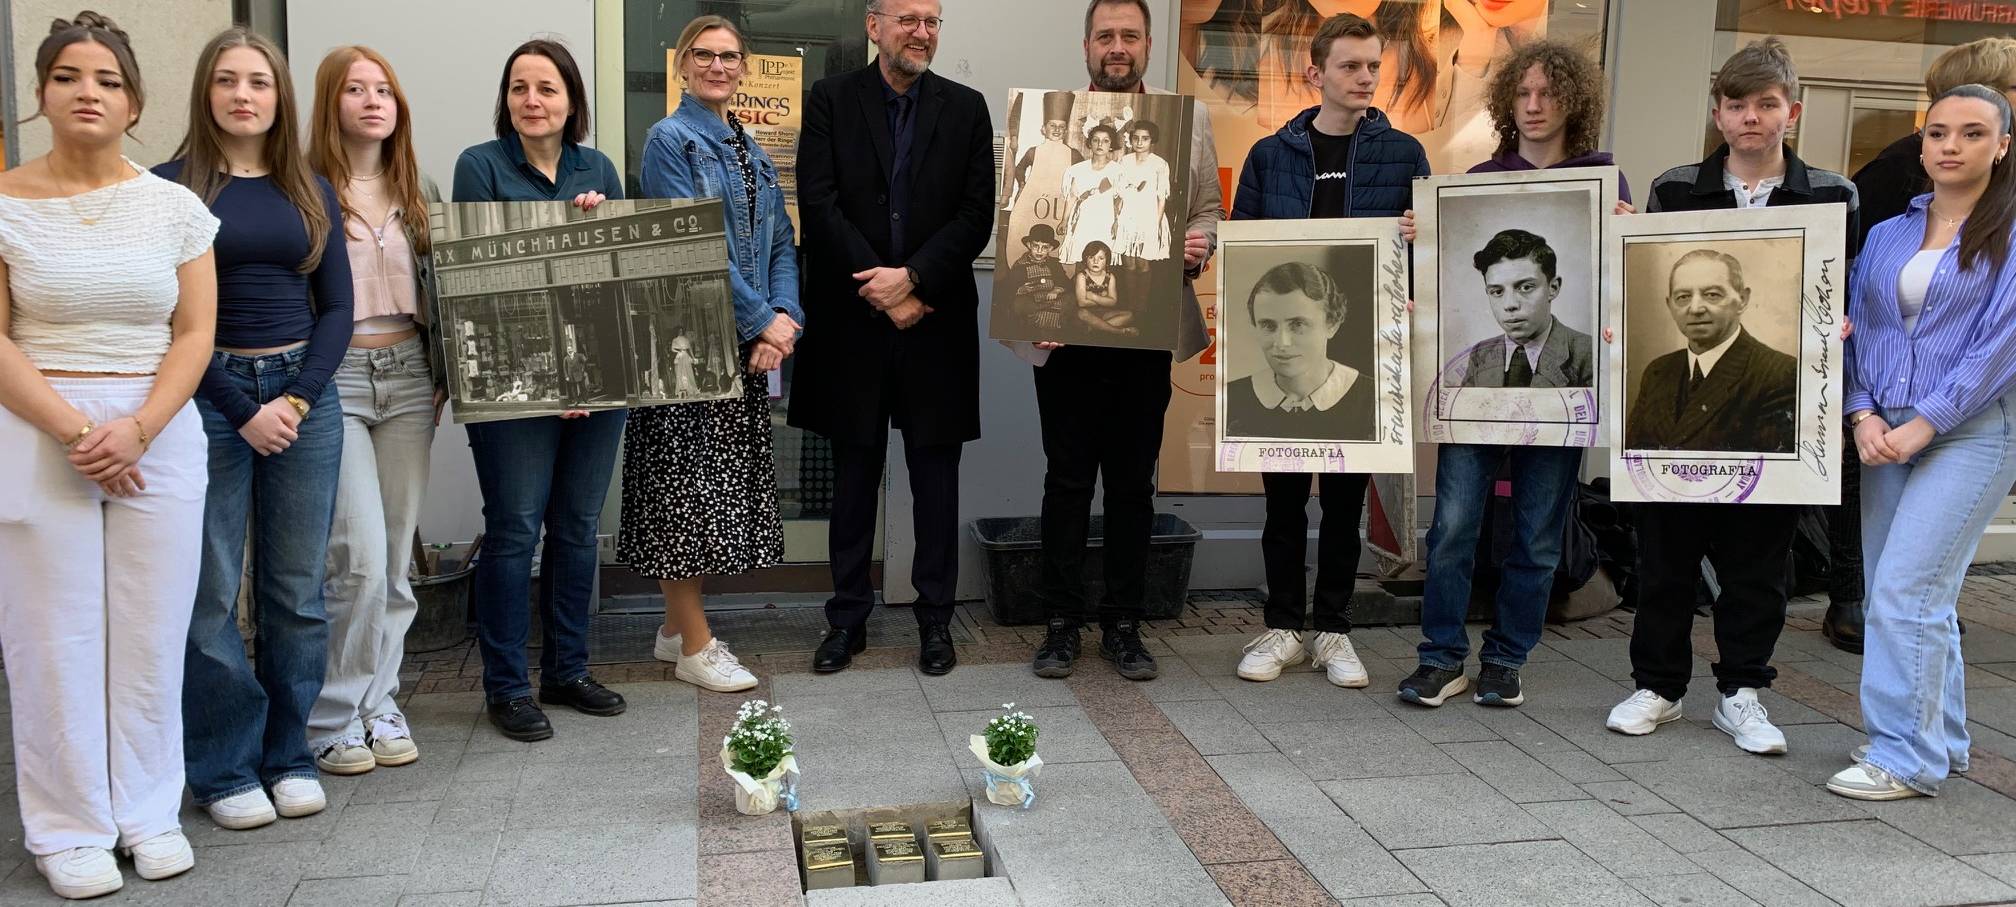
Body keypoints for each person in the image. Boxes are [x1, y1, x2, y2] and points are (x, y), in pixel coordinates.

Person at [0, 13, 216, 897]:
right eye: (67, 76)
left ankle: (149, 809)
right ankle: (67, 825)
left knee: (153, 629)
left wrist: (137, 427)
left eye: (107, 80)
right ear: (42, 93)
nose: (87, 91)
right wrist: (76, 430)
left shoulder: (175, 206)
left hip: (155, 426)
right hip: (38, 420)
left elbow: (197, 329)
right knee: (53, 635)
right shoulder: (4, 201)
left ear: (134, 102)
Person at [1606, 38, 1858, 756]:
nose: (1751, 118)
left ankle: (1742, 692)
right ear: (1717, 113)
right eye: (1737, 104)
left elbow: (1850, 287)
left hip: (1777, 424)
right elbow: (1640, 271)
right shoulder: (1676, 189)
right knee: (1666, 563)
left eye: (1767, 105)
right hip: (1673, 436)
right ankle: (1657, 686)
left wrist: (1842, 320)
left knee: (1757, 566)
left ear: (1792, 112)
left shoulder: (1834, 194)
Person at [1396, 38, 1629, 710]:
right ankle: (1441, 657)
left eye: (1548, 93)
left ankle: (1505, 657)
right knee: (1453, 527)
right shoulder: (1473, 184)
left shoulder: (1606, 184)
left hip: (1564, 400)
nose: (1534, 106)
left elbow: (1621, 295)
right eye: (1523, 93)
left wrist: (1629, 238)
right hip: (1473, 398)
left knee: (1535, 533)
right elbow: (1432, 287)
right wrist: (1423, 237)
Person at [156, 26, 350, 830]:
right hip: (208, 396)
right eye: (228, 80)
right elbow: (168, 319)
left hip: (304, 393)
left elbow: (338, 308)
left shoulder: (310, 186)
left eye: (260, 82)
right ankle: (225, 767)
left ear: (280, 96)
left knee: (296, 590)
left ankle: (289, 753)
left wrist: (297, 399)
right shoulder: (169, 189)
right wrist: (243, 408)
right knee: (207, 592)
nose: (244, 94)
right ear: (206, 92)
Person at [791, 0, 995, 676]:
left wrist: (912, 282)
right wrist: (879, 289)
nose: (922, 32)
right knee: (853, 478)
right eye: (909, 18)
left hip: (933, 324)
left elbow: (975, 216)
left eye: (933, 21)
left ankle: (936, 623)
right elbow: (818, 205)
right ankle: (847, 619)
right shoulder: (829, 100)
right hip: (853, 325)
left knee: (936, 481)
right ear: (874, 25)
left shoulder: (966, 108)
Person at [1830, 84, 2016, 800]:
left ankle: (1902, 754)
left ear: (2001, 146)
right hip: (1885, 429)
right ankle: (1943, 737)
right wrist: (1861, 414)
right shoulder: (1888, 233)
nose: (1951, 146)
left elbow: (1999, 348)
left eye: (1972, 133)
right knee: (1906, 591)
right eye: (1938, 132)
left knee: (1906, 590)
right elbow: (1860, 329)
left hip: (1971, 430)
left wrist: (1922, 423)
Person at [1028, 0, 1221, 682]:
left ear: (1147, 45)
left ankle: (1123, 623)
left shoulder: (1184, 124)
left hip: (1146, 331)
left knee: (1134, 485)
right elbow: (1030, 218)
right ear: (1086, 45)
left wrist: (1200, 245)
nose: (1118, 46)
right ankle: (1059, 625)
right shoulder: (1053, 127)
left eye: (1129, 36)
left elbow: (1204, 210)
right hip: (1065, 335)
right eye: (1106, 35)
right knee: (1066, 480)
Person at [1223, 12, 1415, 688]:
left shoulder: (1403, 154)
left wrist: (1424, 237)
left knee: (1342, 499)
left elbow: (1422, 259)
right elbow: (1239, 245)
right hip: (1279, 352)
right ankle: (1281, 625)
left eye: (1373, 66)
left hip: (1359, 353)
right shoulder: (1272, 154)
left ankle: (1333, 628)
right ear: (1316, 73)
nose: (1366, 78)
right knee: (1281, 501)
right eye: (1351, 66)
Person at [625, 15, 806, 694]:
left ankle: (675, 628)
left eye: (730, 57)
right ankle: (696, 643)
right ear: (682, 64)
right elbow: (691, 245)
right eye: (704, 55)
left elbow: (783, 241)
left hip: (747, 344)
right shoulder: (669, 140)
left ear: (744, 67)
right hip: (688, 342)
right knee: (685, 493)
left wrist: (786, 318)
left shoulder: (749, 146)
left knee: (709, 492)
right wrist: (763, 319)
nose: (718, 66)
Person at [453, 38, 628, 741]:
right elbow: (482, 284)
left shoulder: (599, 168)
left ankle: (567, 669)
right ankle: (505, 685)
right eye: (520, 88)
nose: (533, 101)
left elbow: (611, 277)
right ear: (507, 99)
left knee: (578, 528)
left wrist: (593, 222)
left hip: (595, 383)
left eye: (547, 89)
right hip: (514, 386)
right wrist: (553, 377)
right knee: (516, 528)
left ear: (571, 100)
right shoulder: (481, 166)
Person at [302, 45, 440, 778]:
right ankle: (334, 714)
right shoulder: (306, 189)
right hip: (338, 378)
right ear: (331, 102)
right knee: (352, 557)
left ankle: (382, 701)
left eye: (383, 88)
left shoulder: (417, 189)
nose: (371, 100)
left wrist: (449, 374)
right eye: (354, 89)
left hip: (411, 376)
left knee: (393, 558)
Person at [1623, 250, 1797, 453]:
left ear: (1742, 299)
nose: (1695, 308)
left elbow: (1773, 477)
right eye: (1683, 297)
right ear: (1670, 305)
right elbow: (1632, 461)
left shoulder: (1779, 374)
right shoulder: (1657, 371)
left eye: (1712, 295)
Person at [1223, 260, 1377, 443]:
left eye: (1298, 324)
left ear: (1332, 325)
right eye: (1268, 325)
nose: (1282, 343)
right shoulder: (1231, 399)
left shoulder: (1373, 399)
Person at [1452, 228, 1593, 389]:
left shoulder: (1589, 353)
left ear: (1553, 288)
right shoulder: (1480, 353)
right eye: (1497, 292)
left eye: (1526, 287)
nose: (1510, 304)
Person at [1061, 123, 1128, 265]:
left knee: (1101, 260)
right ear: (1090, 143)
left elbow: (1120, 200)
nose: (1100, 144)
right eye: (1096, 140)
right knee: (1082, 258)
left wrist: (1117, 222)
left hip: (1105, 220)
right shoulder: (1078, 170)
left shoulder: (1117, 171)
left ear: (1111, 145)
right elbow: (1072, 196)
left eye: (1105, 141)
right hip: (1083, 219)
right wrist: (1064, 220)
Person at [1116, 119, 1173, 261]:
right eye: (1136, 138)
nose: (1139, 143)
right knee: (1128, 261)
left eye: (1145, 139)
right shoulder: (1125, 161)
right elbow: (1120, 193)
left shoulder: (1160, 164)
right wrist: (1117, 218)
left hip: (1149, 216)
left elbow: (1161, 198)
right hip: (1128, 215)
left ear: (1152, 140)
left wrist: (1156, 223)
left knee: (1143, 263)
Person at [1006, 223, 1071, 332]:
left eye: (1045, 247)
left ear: (1050, 248)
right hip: (1031, 300)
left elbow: (1065, 282)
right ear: (1029, 245)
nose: (1039, 251)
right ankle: (1039, 316)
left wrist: (1057, 290)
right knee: (1018, 304)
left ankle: (1045, 315)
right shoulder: (1020, 266)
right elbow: (1009, 287)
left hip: (1052, 298)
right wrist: (1021, 289)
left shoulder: (1054, 264)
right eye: (1036, 246)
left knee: (1071, 299)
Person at [1073, 240, 1134, 335]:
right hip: (1087, 314)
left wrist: (1093, 296)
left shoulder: (1110, 277)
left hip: (1105, 313)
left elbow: (1113, 302)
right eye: (1091, 257)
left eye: (1101, 258)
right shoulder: (1082, 276)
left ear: (1107, 261)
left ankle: (1094, 328)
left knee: (1129, 315)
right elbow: (1082, 303)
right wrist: (1104, 299)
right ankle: (1118, 331)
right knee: (1081, 313)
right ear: (1085, 259)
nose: (1095, 261)